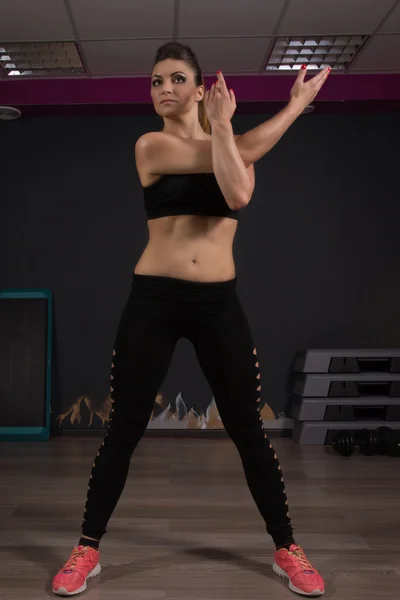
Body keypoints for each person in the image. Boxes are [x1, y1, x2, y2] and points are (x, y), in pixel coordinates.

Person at [52, 42, 330, 597]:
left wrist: (224, 130)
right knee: (123, 429)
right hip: (154, 298)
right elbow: (243, 152)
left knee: (248, 430)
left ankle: (286, 548)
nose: (163, 90)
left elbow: (237, 190)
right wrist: (292, 109)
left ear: (200, 90)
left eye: (176, 79)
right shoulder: (150, 146)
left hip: (217, 303)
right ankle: (86, 549)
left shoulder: (227, 145)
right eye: (156, 82)